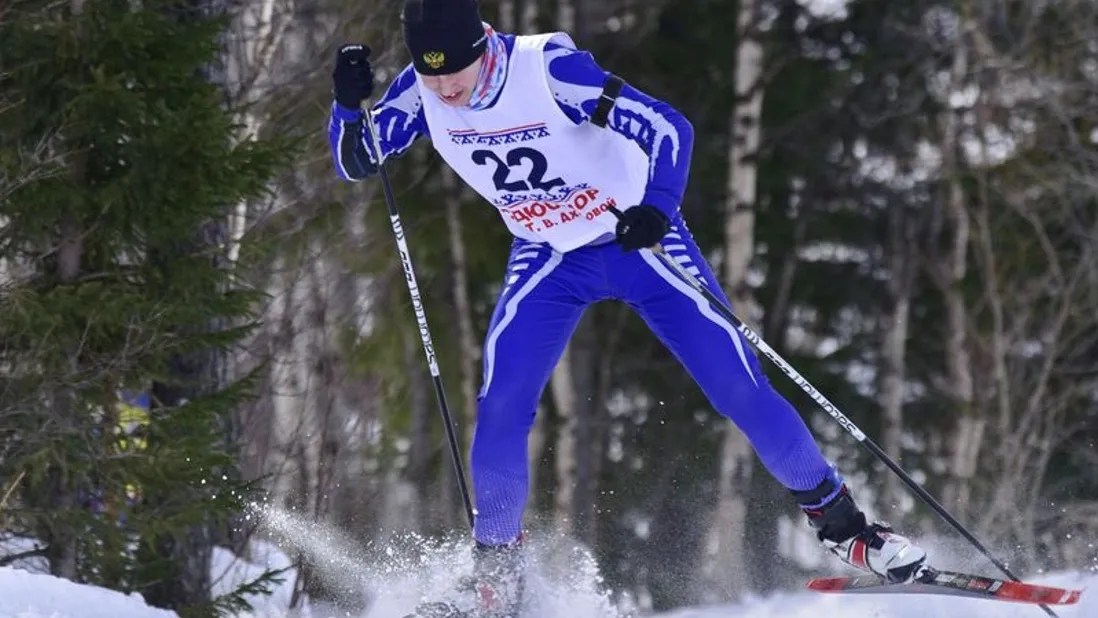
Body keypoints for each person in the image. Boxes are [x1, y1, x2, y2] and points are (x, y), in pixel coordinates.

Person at [327, 0, 928, 614]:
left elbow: (667, 126)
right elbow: (358, 161)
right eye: (432, 78)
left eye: (457, 71)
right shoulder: (420, 91)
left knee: (740, 390)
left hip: (638, 241)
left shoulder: (546, 69)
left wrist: (659, 205)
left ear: (483, 42)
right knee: (502, 407)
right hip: (550, 256)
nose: (446, 90)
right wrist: (349, 105)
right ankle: (496, 578)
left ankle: (850, 533)